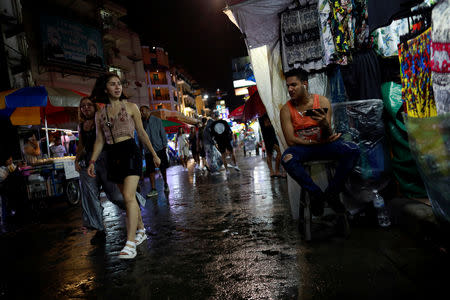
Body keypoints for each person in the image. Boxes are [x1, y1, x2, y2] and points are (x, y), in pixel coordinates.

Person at [88, 73, 161, 259]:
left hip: (130, 151)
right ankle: (141, 230)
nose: (117, 87)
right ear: (105, 89)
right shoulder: (99, 115)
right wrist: (92, 161)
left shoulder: (131, 107)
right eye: (112, 84)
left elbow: (142, 133)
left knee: (128, 196)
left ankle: (130, 243)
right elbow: (99, 141)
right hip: (112, 155)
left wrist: (153, 154)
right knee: (127, 197)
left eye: (119, 84)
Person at [280, 68, 360, 237]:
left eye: (294, 85)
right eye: (288, 86)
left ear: (305, 84)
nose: (290, 89)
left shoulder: (322, 101)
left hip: (324, 145)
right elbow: (290, 140)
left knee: (352, 149)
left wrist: (325, 125)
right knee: (287, 158)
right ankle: (315, 193)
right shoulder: (286, 110)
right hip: (304, 149)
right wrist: (312, 142)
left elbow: (327, 136)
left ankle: (332, 192)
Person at [75, 97, 130, 244]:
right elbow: (81, 145)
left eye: (88, 105)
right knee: (90, 197)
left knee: (115, 195)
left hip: (105, 160)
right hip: (88, 163)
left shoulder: (101, 120)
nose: (85, 108)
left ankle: (133, 210)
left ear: (94, 107)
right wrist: (76, 159)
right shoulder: (81, 125)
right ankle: (99, 229)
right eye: (82, 106)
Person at [140, 105, 170, 197]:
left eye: (143, 111)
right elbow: (140, 136)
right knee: (150, 170)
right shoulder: (141, 122)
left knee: (163, 168)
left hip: (159, 148)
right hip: (148, 150)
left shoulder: (157, 120)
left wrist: (164, 145)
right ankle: (153, 189)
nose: (141, 113)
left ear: (148, 111)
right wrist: (142, 149)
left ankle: (165, 184)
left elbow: (162, 133)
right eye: (140, 111)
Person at [258, 114, 284, 178]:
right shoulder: (264, 114)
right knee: (277, 152)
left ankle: (272, 172)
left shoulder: (260, 115)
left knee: (269, 154)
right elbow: (267, 124)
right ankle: (276, 171)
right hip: (270, 136)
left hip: (267, 135)